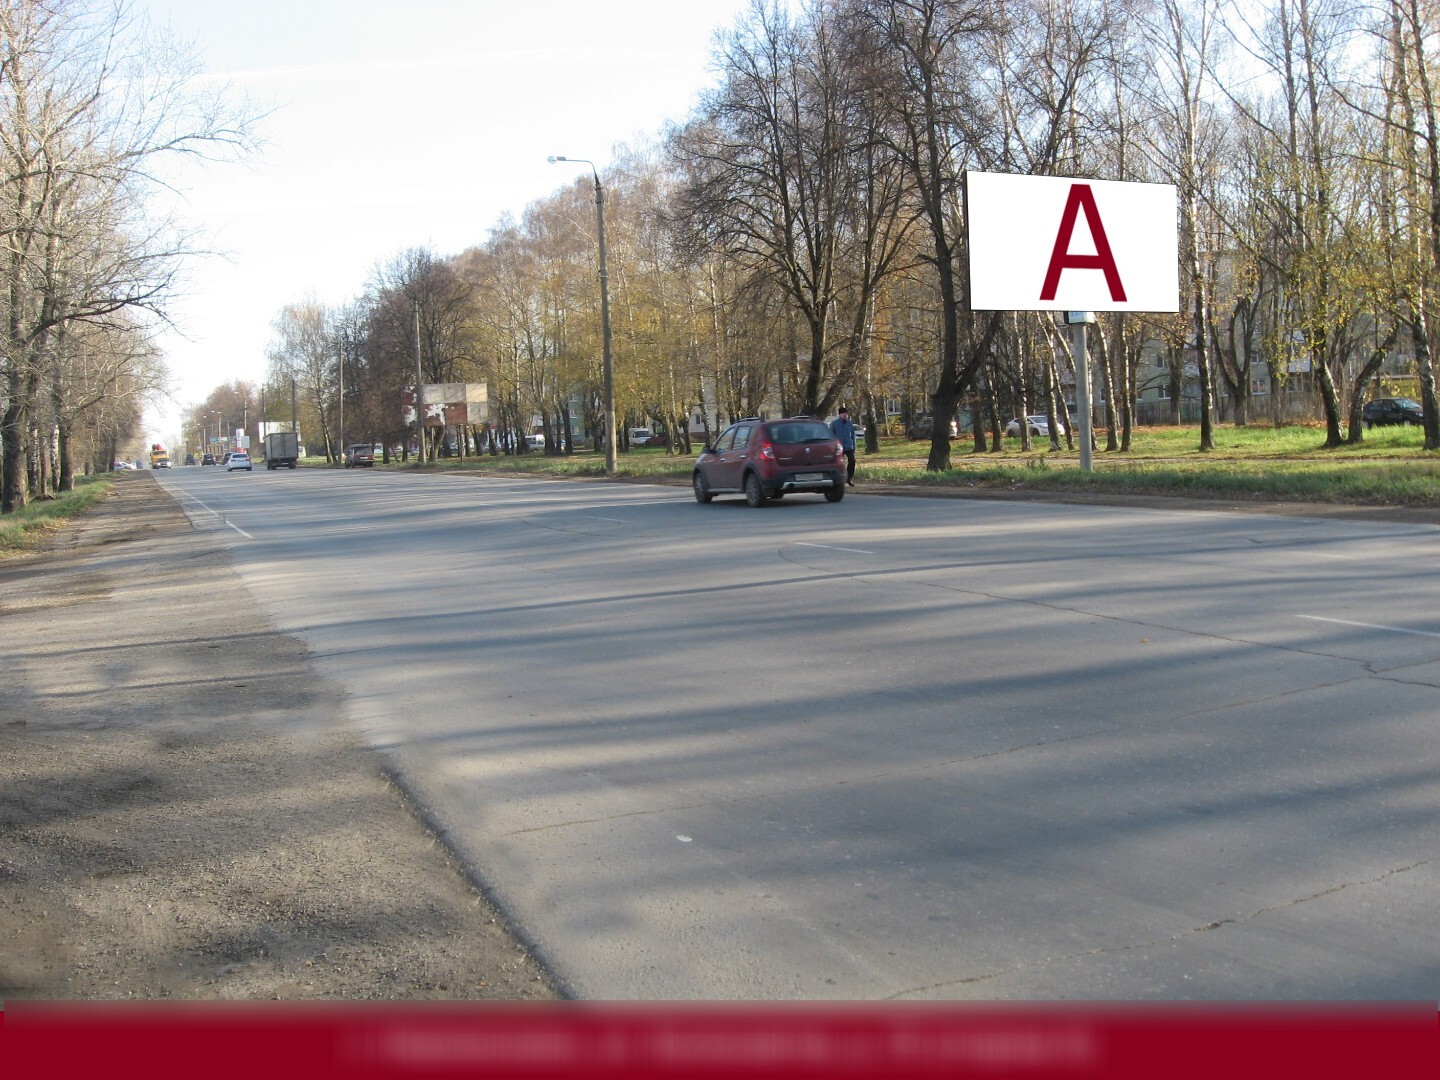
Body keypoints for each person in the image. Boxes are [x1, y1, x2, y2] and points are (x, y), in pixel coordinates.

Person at [829, 406, 857, 487]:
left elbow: (853, 435)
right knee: (839, 463)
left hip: (849, 446)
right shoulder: (834, 424)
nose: (845, 415)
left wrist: (854, 446)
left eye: (846, 413)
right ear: (840, 414)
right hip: (839, 447)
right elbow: (831, 435)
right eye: (843, 413)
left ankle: (849, 477)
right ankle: (838, 479)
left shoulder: (849, 423)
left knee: (852, 461)